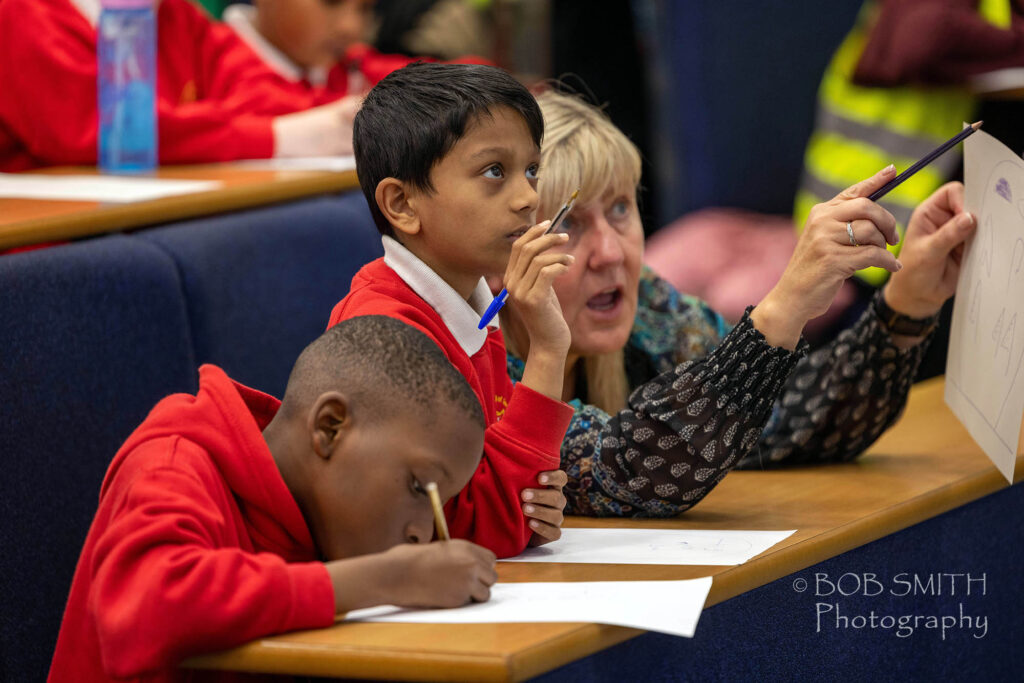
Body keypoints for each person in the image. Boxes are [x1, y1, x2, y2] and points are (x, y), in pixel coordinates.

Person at [497, 89, 976, 516]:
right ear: (505, 255)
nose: (611, 251)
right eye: (569, 225)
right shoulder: (482, 366)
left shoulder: (650, 309)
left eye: (621, 208)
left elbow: (792, 420)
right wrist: (786, 303)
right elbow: (628, 470)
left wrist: (909, 301)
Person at [48, 316, 497, 682]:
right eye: (420, 489)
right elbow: (147, 609)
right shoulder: (173, 464)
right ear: (330, 427)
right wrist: (389, 579)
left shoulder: (324, 517)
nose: (424, 533)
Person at [328, 62, 573, 558]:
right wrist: (548, 350)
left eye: (531, 170)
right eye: (493, 172)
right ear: (402, 204)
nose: (528, 198)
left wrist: (532, 507)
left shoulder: (474, 303)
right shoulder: (385, 333)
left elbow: (511, 505)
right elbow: (471, 527)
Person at [0, 0, 358, 171]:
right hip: (53, 245)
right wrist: (277, 135)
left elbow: (266, 95)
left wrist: (191, 128)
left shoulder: (176, 14)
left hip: (159, 221)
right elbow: (105, 134)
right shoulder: (19, 13)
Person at [223, 0, 491, 101]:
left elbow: (467, 75)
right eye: (331, 2)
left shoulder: (351, 66)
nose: (350, 27)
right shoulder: (204, 65)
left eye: (364, 9)